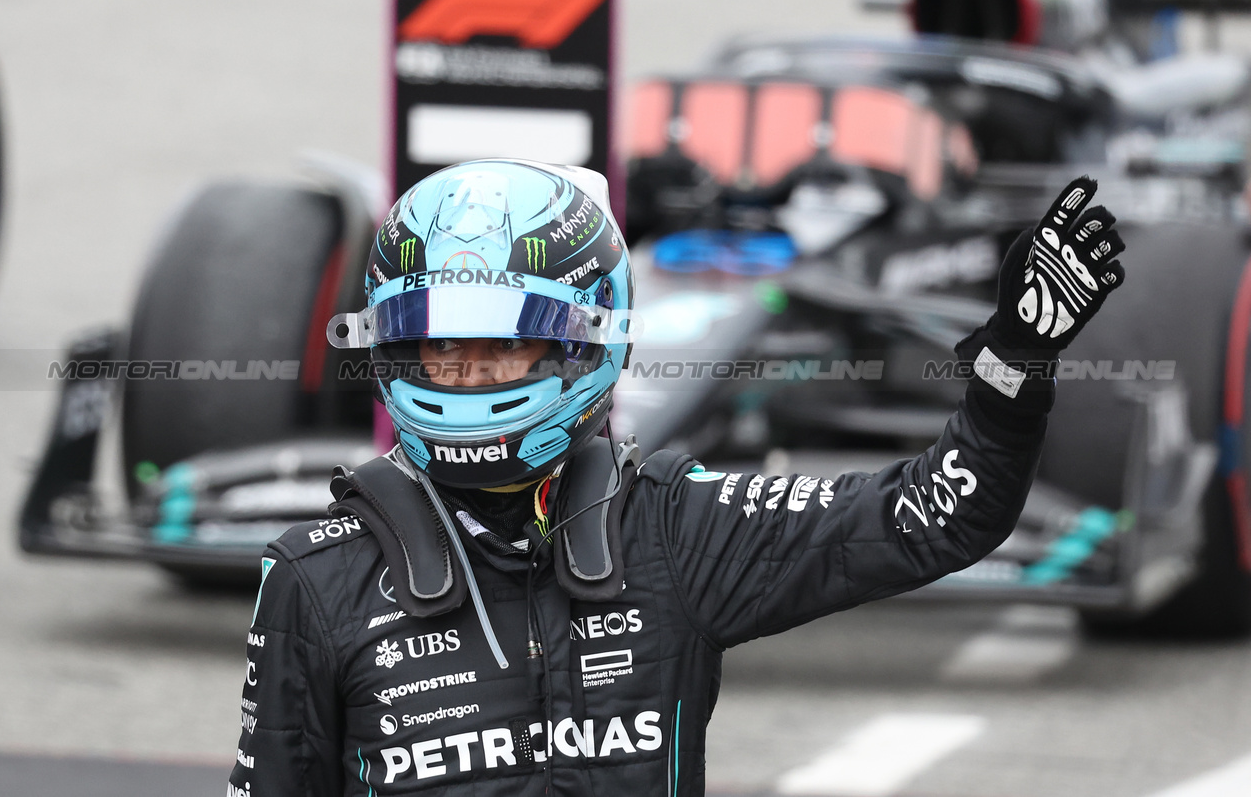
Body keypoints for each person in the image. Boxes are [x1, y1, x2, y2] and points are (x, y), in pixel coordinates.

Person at [227, 159, 1124, 796]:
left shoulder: (674, 530)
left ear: (588, 340)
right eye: (436, 345)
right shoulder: (316, 577)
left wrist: (1013, 365)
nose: (466, 373)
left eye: (502, 345)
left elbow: (935, 518)